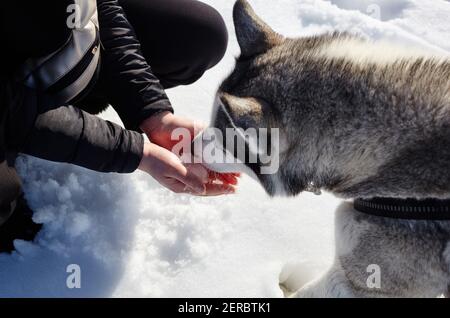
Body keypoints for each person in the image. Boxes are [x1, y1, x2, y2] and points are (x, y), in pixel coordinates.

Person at [0, 0, 238, 252]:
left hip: (61, 55)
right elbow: (9, 111)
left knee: (201, 33)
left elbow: (99, 5)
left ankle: (73, 102)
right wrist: (134, 152)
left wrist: (153, 112)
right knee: (9, 210)